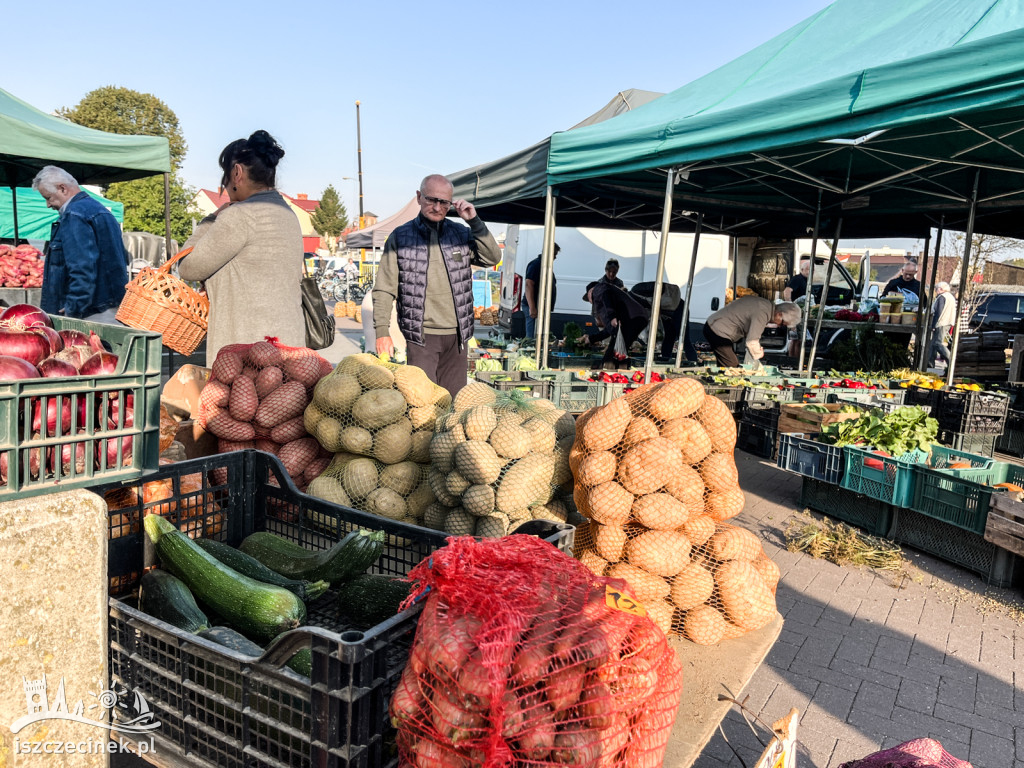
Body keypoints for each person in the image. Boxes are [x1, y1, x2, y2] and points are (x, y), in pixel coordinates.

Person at [180, 130, 304, 366]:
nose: (226, 188)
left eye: (224, 180)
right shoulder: (288, 214)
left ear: (237, 173)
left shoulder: (239, 215)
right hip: (289, 348)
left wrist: (210, 219)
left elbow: (187, 266)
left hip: (246, 357)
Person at [373, 174, 501, 397]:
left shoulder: (460, 234)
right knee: (421, 403)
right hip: (422, 337)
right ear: (419, 197)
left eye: (444, 202)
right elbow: (385, 287)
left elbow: (492, 257)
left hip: (458, 337)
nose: (437, 207)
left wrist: (474, 221)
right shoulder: (401, 237)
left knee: (453, 406)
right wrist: (381, 331)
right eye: (431, 199)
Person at [32, 166, 129, 322]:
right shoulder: (101, 210)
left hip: (90, 314)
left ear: (62, 189)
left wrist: (73, 308)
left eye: (48, 198)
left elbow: (82, 267)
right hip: (110, 307)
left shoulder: (74, 214)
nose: (48, 205)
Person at [703, 296, 801, 367]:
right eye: (783, 323)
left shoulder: (765, 305)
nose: (780, 326)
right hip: (718, 331)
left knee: (726, 365)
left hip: (716, 327)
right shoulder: (763, 313)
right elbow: (752, 342)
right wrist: (759, 356)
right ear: (779, 314)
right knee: (732, 367)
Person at [579, 280, 651, 368]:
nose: (591, 302)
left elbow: (606, 295)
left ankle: (609, 372)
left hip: (629, 319)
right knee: (620, 351)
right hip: (639, 318)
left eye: (589, 298)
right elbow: (610, 330)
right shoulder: (610, 294)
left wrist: (612, 316)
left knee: (612, 355)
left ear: (590, 291)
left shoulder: (598, 289)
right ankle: (620, 373)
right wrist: (591, 339)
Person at [523, 243, 560, 339]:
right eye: (554, 255)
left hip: (539, 307)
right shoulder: (536, 265)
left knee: (538, 336)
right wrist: (532, 307)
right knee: (531, 338)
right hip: (534, 306)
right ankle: (530, 352)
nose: (555, 258)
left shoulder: (545, 266)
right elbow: (528, 284)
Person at [928, 281, 957, 368]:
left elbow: (938, 312)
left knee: (938, 343)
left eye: (936, 289)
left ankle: (951, 360)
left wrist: (933, 325)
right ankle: (929, 363)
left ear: (941, 289)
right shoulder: (950, 297)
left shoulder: (942, 297)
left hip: (942, 323)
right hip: (948, 322)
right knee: (933, 343)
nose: (936, 291)